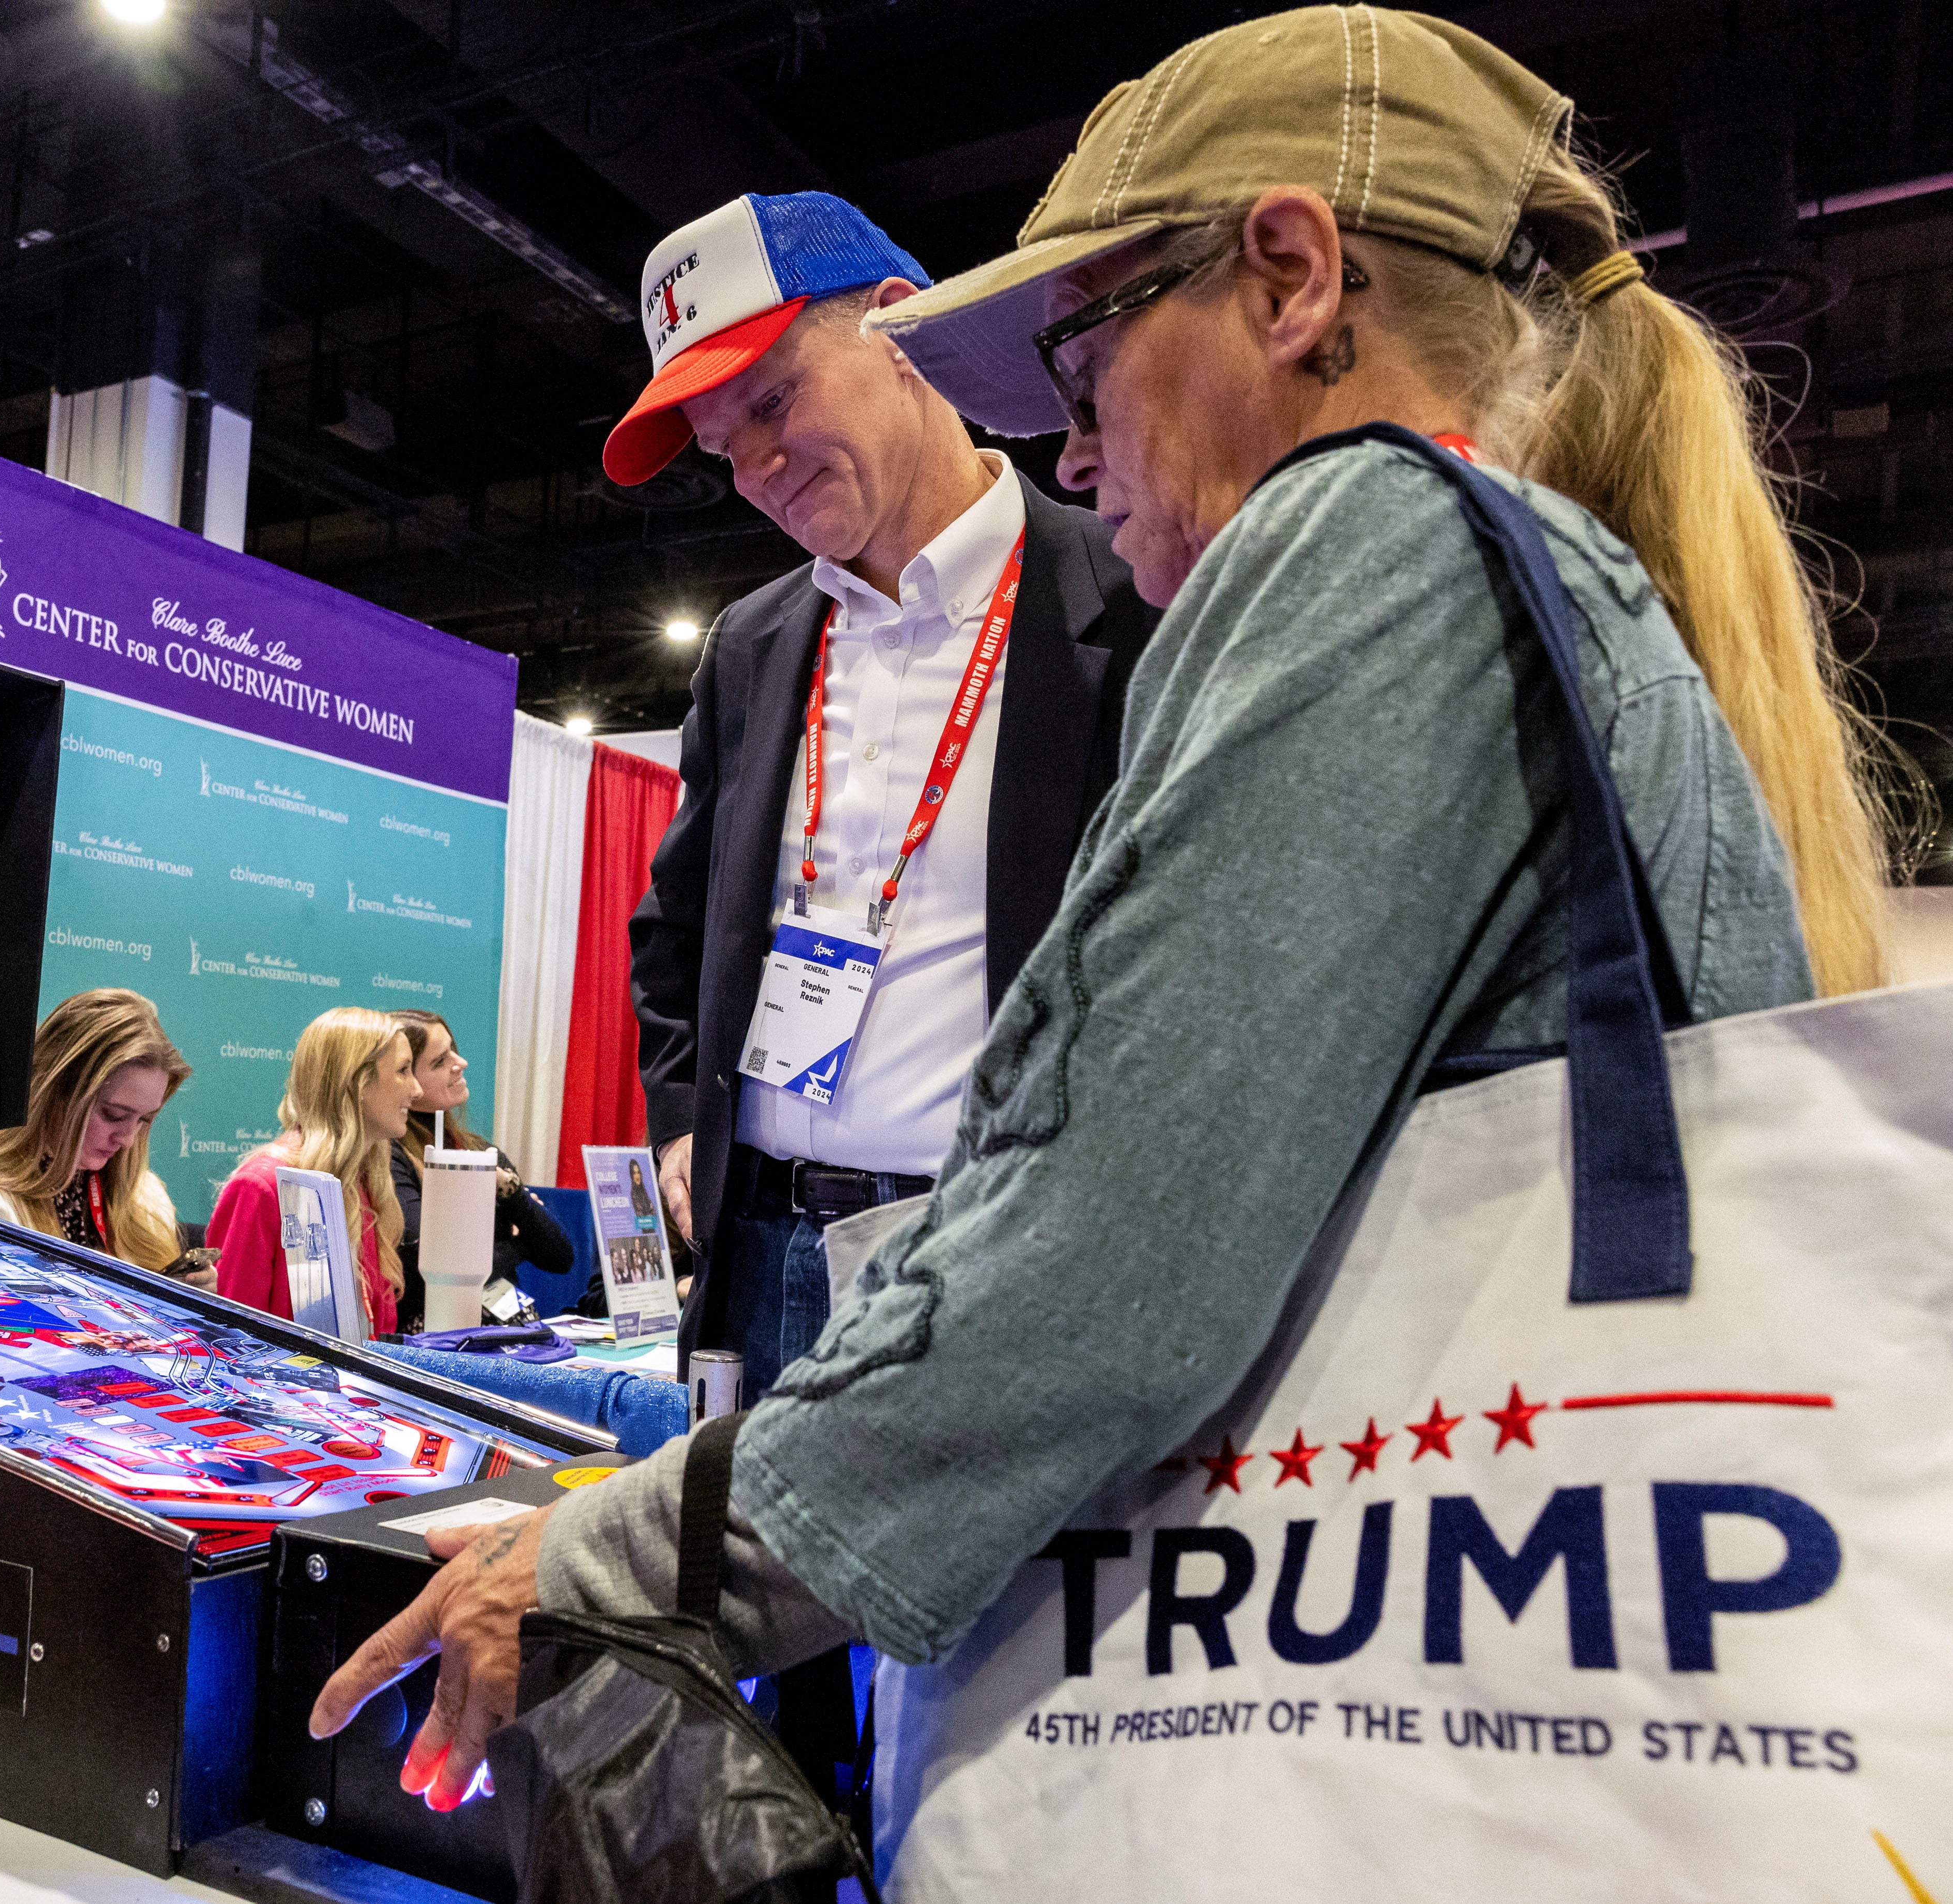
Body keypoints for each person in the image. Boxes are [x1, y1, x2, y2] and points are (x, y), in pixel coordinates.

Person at [309, 4, 1892, 1838]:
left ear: (1292, 280)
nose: (1074, 449)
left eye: (1086, 357)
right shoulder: (1521, 568)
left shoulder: (1359, 541)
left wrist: (599, 1555)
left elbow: (1105, 1273)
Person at [613, 191, 1162, 1395]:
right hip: (755, 1259)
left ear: (900, 331)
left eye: (771, 398)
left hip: (984, 1258)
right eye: (720, 444)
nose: (754, 467)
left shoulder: (1130, 604)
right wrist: (676, 1123)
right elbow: (675, 927)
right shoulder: (753, 648)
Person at [0, 989, 193, 1275]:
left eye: (145, 1120)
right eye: (114, 1115)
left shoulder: (144, 1198)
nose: (127, 1140)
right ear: (52, 1091)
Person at [210, 1008, 421, 1337]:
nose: (417, 1090)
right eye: (403, 1071)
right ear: (356, 1083)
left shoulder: (365, 1181)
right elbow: (229, 1339)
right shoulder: (264, 1187)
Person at [385, 1009, 575, 1330]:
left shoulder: (478, 1150)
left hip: (509, 1330)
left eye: (453, 1051)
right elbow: (431, 1269)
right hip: (439, 1338)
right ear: (408, 1079)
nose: (461, 1064)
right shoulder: (391, 1158)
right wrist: (518, 1242)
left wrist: (511, 1195)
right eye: (440, 1061)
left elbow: (559, 1255)